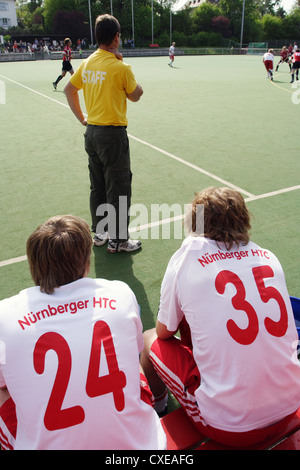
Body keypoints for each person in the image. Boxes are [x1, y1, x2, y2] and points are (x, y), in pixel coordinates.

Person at [140, 187, 300, 448]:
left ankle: (159, 410)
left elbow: (164, 332)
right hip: (290, 404)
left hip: (231, 426)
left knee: (149, 339)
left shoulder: (188, 258)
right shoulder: (268, 256)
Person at [0, 215, 166, 450]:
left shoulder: (5, 314)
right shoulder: (120, 293)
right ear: (86, 262)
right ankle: (160, 409)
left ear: (34, 265)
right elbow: (135, 352)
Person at [64, 15, 143, 254]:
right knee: (118, 187)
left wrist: (82, 118)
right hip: (112, 136)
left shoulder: (87, 63)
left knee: (97, 185)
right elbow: (136, 94)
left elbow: (69, 90)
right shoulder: (120, 67)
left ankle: (100, 233)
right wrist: (123, 64)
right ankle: (118, 240)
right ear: (116, 37)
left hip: (92, 132)